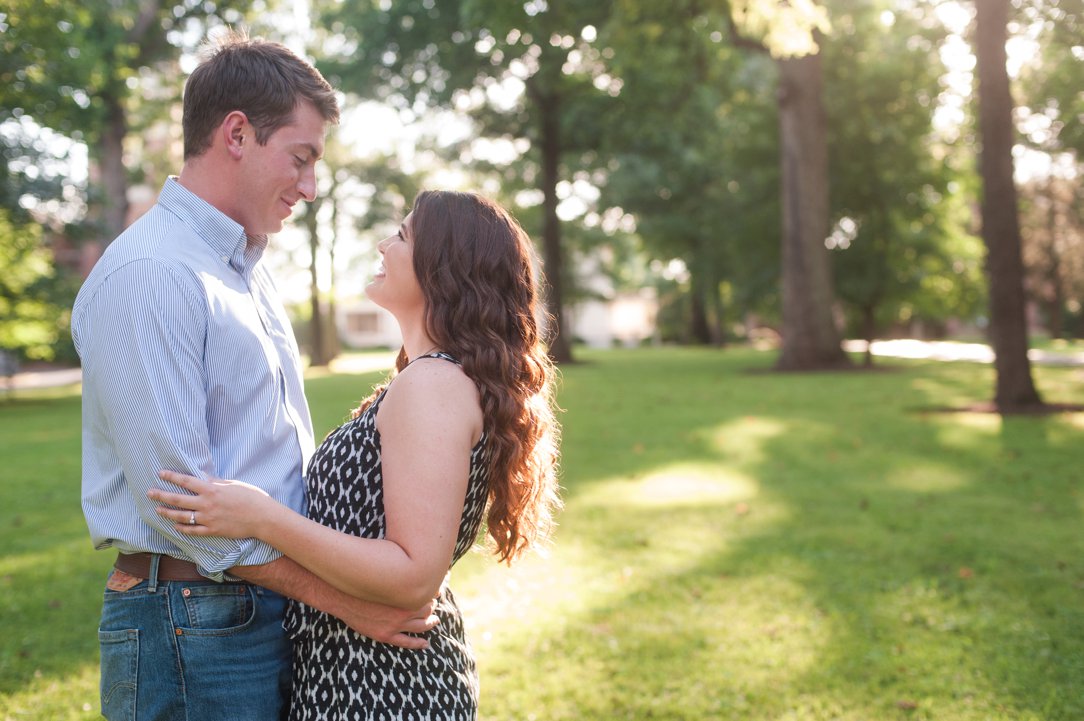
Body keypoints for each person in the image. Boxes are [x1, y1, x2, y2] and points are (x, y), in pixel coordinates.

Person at [72, 31, 435, 721]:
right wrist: (347, 601)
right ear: (237, 133)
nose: (310, 186)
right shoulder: (154, 275)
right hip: (192, 620)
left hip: (254, 608)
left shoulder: (246, 269)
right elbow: (186, 508)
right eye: (300, 158)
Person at [147, 189, 562, 720]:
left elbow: (414, 575)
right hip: (359, 668)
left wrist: (261, 516)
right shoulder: (430, 377)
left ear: (444, 269)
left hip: (385, 684)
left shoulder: (433, 384)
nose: (385, 244)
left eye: (404, 235)